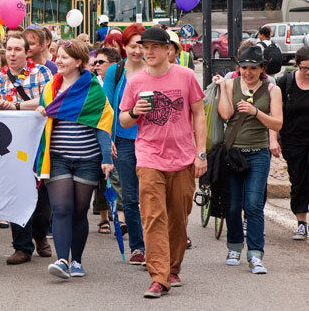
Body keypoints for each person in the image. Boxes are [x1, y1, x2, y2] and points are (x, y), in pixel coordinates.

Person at [119, 27, 207, 298]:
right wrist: (135, 112)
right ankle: (159, 277)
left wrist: (200, 153)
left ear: (168, 49)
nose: (148, 52)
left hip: (182, 158)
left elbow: (199, 115)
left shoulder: (186, 76)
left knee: (179, 219)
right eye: (145, 47)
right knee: (153, 217)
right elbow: (123, 119)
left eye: (154, 47)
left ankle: (172, 267)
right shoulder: (135, 82)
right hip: (148, 157)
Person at [36, 40, 113, 279]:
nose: (58, 60)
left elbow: (102, 123)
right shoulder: (49, 89)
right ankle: (62, 260)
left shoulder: (93, 89)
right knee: (61, 209)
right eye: (57, 56)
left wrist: (107, 158)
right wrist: (40, 113)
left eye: (64, 57)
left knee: (79, 212)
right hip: (57, 157)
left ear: (78, 62)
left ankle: (77, 260)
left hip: (87, 159)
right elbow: (42, 121)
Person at [0, 32, 53, 265]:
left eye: (17, 49)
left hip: (38, 143)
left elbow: (48, 100)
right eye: (9, 49)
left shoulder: (42, 73)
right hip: (11, 147)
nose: (12, 54)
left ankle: (39, 234)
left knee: (43, 197)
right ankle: (22, 247)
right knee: (17, 193)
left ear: (27, 52)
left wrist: (16, 105)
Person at [216, 45, 282, 274]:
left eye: (253, 68)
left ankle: (255, 254)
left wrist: (256, 113)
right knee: (233, 206)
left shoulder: (272, 90)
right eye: (244, 67)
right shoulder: (231, 84)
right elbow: (225, 114)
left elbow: (277, 123)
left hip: (258, 153)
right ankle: (234, 246)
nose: (248, 72)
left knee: (253, 204)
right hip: (233, 153)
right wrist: (224, 89)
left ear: (262, 68)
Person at [103, 23, 146, 265]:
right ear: (123, 47)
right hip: (124, 140)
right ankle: (137, 247)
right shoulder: (115, 71)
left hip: (152, 141)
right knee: (130, 196)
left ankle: (157, 242)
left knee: (152, 194)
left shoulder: (154, 69)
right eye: (132, 46)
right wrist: (107, 139)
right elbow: (108, 107)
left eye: (141, 45)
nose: (138, 51)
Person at [278, 46, 309, 240]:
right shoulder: (286, 83)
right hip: (293, 141)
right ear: (297, 65)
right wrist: (275, 139)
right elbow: (276, 111)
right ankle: (301, 223)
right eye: (305, 68)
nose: (308, 72)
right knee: (298, 181)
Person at [91, 46, 122, 233]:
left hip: (118, 132)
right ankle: (103, 218)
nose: (96, 66)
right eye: (94, 62)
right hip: (99, 132)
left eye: (100, 62)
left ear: (111, 65)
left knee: (119, 178)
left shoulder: (117, 80)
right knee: (102, 177)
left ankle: (121, 215)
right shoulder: (93, 83)